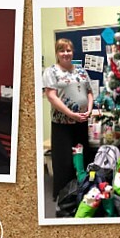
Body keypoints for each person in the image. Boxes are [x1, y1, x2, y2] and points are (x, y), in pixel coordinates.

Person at [43, 38, 95, 199]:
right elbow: (51, 96)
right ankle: (64, 195)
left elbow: (89, 92)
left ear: (73, 52)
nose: (66, 53)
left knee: (82, 157)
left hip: (81, 122)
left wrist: (90, 110)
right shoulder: (51, 72)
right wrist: (70, 114)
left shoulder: (81, 71)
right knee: (64, 161)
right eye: (62, 50)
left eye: (68, 50)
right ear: (57, 53)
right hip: (62, 124)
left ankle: (82, 190)